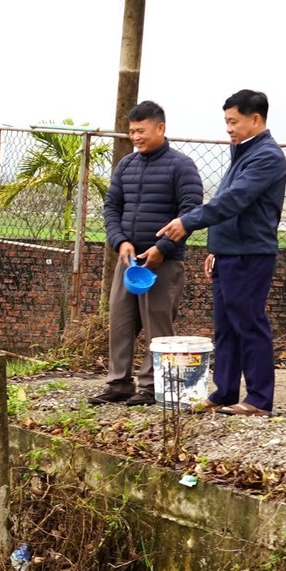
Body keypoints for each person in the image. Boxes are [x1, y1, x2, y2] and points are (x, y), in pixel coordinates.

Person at [158, 89, 286, 417]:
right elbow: (228, 205)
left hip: (250, 254)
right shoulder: (243, 153)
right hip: (230, 252)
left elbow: (233, 201)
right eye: (226, 122)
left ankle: (259, 399)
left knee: (249, 323)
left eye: (234, 121)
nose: (228, 128)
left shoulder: (266, 156)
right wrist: (216, 248)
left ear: (255, 119)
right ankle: (226, 391)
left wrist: (188, 222)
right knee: (225, 327)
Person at [98, 100, 202, 405]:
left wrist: (163, 248)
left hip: (163, 262)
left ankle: (151, 386)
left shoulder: (182, 166)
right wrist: (119, 242)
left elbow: (191, 212)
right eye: (131, 131)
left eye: (141, 130)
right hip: (129, 261)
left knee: (158, 325)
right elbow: (112, 207)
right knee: (120, 322)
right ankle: (118, 383)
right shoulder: (126, 166)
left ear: (160, 128)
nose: (136, 137)